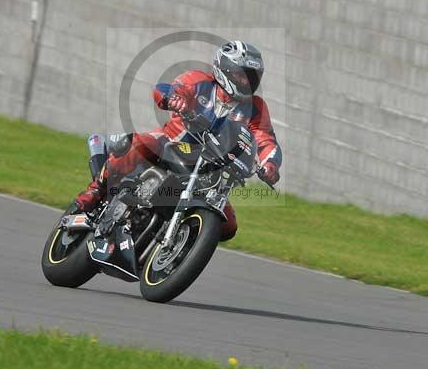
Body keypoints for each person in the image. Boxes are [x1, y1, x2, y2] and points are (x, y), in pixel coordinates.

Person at [69, 41, 283, 242]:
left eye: (251, 77)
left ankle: (176, 245)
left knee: (228, 226)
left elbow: (265, 139)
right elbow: (169, 88)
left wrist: (270, 164)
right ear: (225, 69)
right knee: (138, 145)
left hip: (211, 169)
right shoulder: (199, 81)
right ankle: (96, 190)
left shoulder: (256, 108)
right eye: (242, 75)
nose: (246, 82)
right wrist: (174, 98)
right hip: (171, 143)